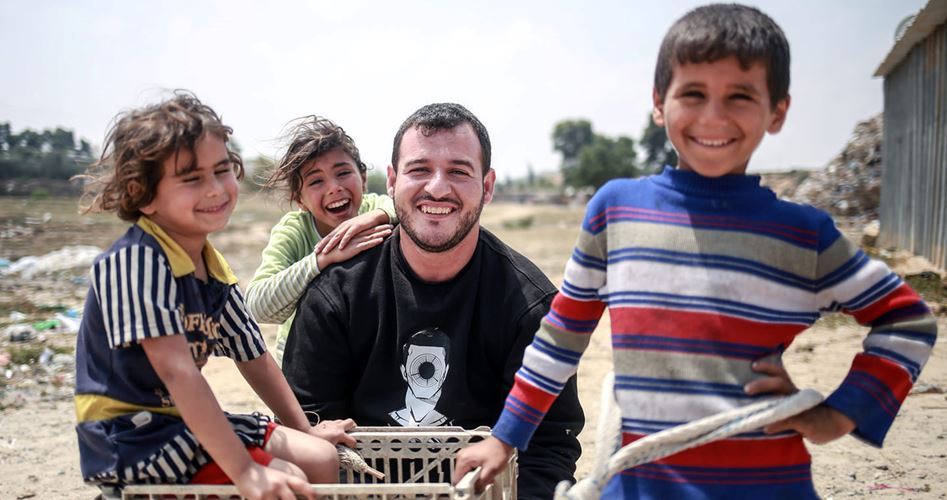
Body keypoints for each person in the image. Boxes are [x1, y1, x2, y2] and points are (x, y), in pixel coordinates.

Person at [455, 4, 938, 499]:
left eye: (740, 96)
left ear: (777, 111)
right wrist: (505, 437)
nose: (713, 116)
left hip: (766, 487)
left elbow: (908, 322)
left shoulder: (802, 235)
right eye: (693, 94)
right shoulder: (615, 212)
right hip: (642, 486)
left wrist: (836, 416)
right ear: (659, 103)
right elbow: (560, 340)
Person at [281, 102, 584, 499]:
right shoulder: (335, 296)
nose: (438, 188)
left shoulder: (530, 305)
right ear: (392, 181)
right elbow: (307, 431)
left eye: (458, 171)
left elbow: (548, 446)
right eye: (419, 169)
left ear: (487, 186)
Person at [73, 92, 355, 500]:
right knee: (288, 477)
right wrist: (245, 471)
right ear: (143, 193)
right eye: (192, 178)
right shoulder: (136, 261)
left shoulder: (211, 265)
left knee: (320, 456)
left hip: (180, 423)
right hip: (131, 435)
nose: (215, 189)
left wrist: (305, 429)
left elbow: (254, 356)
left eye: (222, 171)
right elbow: (178, 373)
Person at [246, 116, 394, 364]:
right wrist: (322, 259)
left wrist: (377, 217)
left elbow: (406, 208)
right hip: (305, 359)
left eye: (343, 173)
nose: (334, 187)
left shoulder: (376, 209)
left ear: (363, 178)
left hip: (366, 356)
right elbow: (256, 306)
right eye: (316, 181)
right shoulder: (294, 231)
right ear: (300, 200)